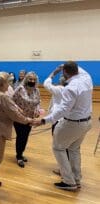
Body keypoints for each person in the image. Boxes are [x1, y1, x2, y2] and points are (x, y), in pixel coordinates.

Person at [34, 61, 93, 191]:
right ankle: (76, 179)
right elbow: (80, 70)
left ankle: (68, 181)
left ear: (65, 72)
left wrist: (43, 121)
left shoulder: (70, 88)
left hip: (73, 123)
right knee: (73, 149)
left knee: (58, 148)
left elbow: (62, 111)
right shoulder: (86, 78)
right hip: (87, 122)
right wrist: (65, 66)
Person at [13, 71, 40, 168]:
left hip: (31, 118)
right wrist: (18, 109)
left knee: (25, 136)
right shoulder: (20, 89)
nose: (32, 81)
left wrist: (37, 110)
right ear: (26, 79)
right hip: (19, 117)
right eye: (30, 79)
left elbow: (38, 103)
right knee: (21, 136)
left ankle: (21, 153)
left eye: (34, 79)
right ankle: (19, 156)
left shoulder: (36, 90)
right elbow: (11, 101)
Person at [43, 66, 68, 175]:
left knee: (59, 146)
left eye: (63, 75)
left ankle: (63, 169)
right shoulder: (74, 88)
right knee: (67, 146)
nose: (61, 77)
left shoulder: (60, 89)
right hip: (68, 120)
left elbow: (46, 84)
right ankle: (67, 167)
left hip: (59, 120)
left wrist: (54, 72)